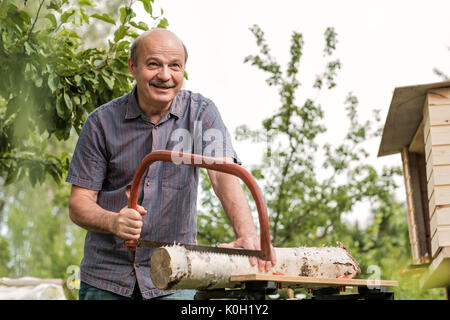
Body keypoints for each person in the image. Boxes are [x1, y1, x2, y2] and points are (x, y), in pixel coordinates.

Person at [66, 29, 276, 300]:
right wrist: (114, 221)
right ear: (132, 67)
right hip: (107, 278)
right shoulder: (101, 123)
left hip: (175, 276)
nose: (165, 76)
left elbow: (224, 176)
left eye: (174, 66)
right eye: (153, 64)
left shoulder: (200, 113)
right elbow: (78, 204)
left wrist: (248, 235)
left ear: (183, 70)